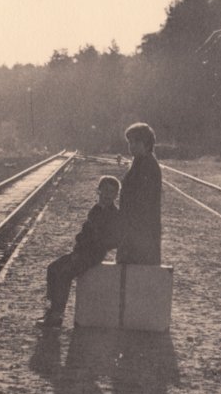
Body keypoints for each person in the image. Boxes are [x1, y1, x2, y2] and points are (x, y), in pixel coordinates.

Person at [37, 175, 121, 328]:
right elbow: (87, 233)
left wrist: (91, 242)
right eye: (105, 191)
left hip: (93, 255)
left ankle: (57, 315)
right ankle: (51, 309)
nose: (108, 195)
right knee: (52, 268)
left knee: (64, 274)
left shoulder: (114, 214)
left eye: (112, 192)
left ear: (116, 195)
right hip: (82, 253)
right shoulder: (96, 209)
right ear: (98, 191)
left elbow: (112, 240)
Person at [116, 122, 162, 265]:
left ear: (147, 144)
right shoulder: (139, 162)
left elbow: (143, 203)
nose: (132, 145)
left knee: (137, 274)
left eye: (137, 141)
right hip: (134, 230)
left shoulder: (148, 166)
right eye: (130, 142)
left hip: (141, 231)